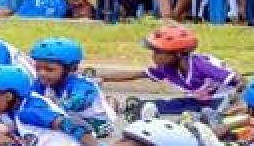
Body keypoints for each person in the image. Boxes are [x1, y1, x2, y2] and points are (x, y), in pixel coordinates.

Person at [103, 25, 242, 116]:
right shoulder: (167, 68)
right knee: (170, 104)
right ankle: (128, 107)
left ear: (178, 54)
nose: (154, 56)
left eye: (158, 52)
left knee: (193, 111)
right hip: (197, 101)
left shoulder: (201, 66)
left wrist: (236, 101)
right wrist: (101, 77)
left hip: (221, 100)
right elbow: (137, 74)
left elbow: (241, 81)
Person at [28, 37, 116, 137]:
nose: (41, 73)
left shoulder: (82, 85)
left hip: (97, 124)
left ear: (70, 69)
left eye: (49, 69)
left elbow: (77, 100)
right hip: (70, 118)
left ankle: (111, 104)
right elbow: (29, 99)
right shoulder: (42, 82)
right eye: (38, 68)